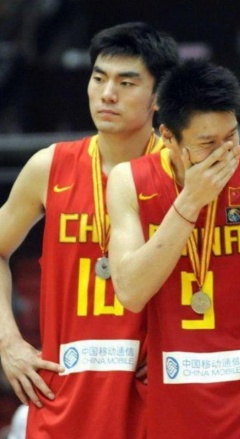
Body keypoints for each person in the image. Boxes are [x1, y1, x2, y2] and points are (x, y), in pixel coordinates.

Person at [106, 59, 240, 438]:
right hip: (179, 404)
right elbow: (130, 292)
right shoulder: (129, 181)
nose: (225, 154)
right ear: (168, 136)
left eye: (232, 137)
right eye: (207, 144)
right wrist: (190, 202)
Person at [0, 22, 178, 438]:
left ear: (159, 96)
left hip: (157, 394)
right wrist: (8, 343)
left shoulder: (181, 173)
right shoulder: (49, 166)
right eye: (99, 78)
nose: (107, 93)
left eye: (126, 83)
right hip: (66, 397)